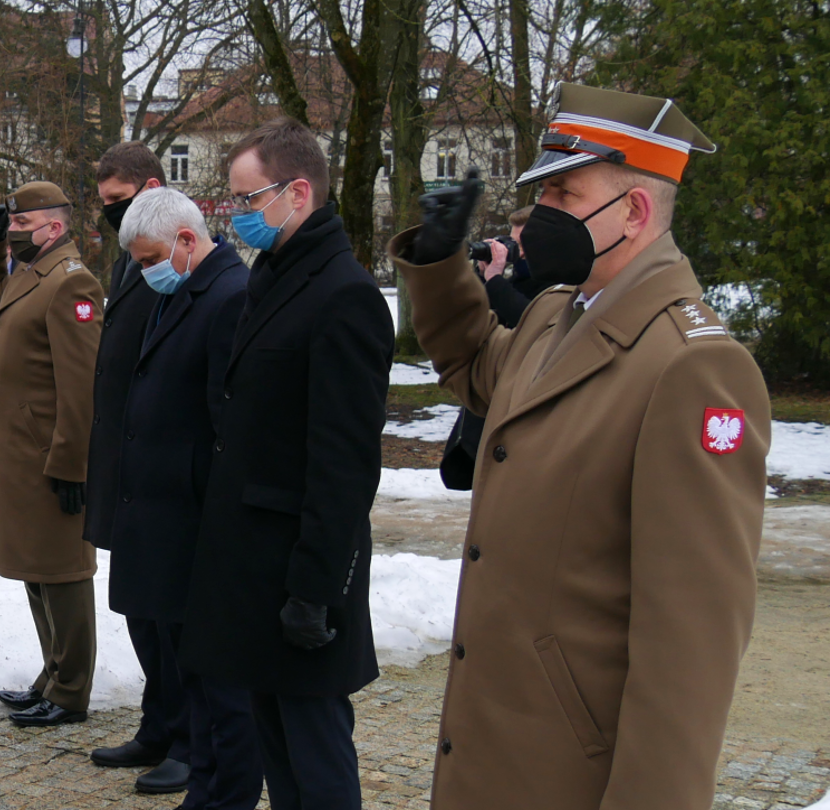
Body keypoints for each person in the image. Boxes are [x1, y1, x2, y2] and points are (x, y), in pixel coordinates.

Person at [389, 84, 770, 810]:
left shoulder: (693, 368)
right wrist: (440, 267)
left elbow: (690, 644)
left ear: (633, 212)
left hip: (570, 774)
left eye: (564, 194)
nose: (538, 218)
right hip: (496, 752)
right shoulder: (555, 315)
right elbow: (477, 367)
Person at [178, 118, 393, 810]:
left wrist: (315, 589)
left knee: (317, 757)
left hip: (299, 574)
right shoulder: (273, 277)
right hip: (253, 570)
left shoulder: (344, 294)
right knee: (279, 754)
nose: (236, 214)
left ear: (298, 192)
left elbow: (345, 460)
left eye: (248, 199)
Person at [93, 186, 262, 808]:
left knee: (199, 661)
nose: (144, 272)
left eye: (148, 259)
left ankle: (198, 758)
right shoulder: (188, 287)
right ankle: (170, 736)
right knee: (163, 640)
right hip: (159, 502)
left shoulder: (227, 295)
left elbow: (226, 421)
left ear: (186, 241)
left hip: (190, 511)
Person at [0, 181, 104, 728]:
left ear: (53, 227)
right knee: (36, 568)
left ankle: (71, 690)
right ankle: (52, 674)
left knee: (65, 572)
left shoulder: (74, 282)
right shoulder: (31, 274)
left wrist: (73, 464)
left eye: (23, 226)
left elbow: (82, 385)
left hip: (52, 456)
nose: (15, 234)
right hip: (23, 454)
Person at [78, 143, 181, 790]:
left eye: (117, 203)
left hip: (163, 463)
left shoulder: (174, 259)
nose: (109, 216)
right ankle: (158, 725)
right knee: (139, 607)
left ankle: (190, 739)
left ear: (147, 187)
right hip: (124, 458)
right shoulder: (128, 260)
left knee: (169, 615)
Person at [440, 205, 543, 490]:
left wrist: (496, 280)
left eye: (524, 244)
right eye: (513, 242)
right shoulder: (512, 285)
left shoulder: (561, 288)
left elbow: (534, 321)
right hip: (491, 413)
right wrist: (481, 274)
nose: (517, 252)